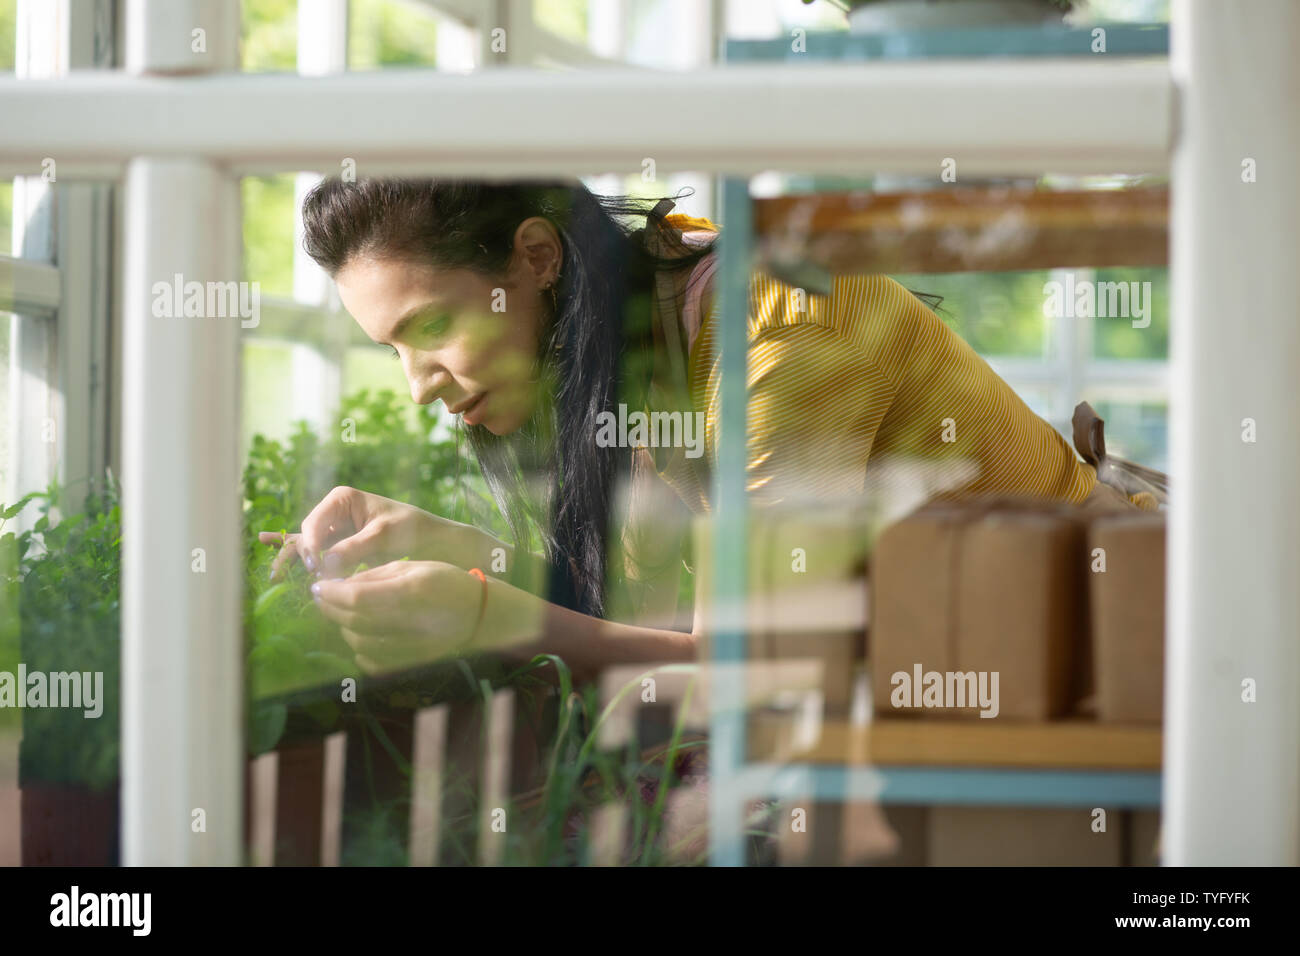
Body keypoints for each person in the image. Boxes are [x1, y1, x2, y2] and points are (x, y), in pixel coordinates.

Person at [262, 177, 1139, 681]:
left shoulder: (777, 324)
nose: (417, 387)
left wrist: (486, 619)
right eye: (392, 350)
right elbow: (666, 615)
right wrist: (451, 551)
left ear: (536, 259)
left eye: (429, 329)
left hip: (1107, 657)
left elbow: (758, 667)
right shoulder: (637, 321)